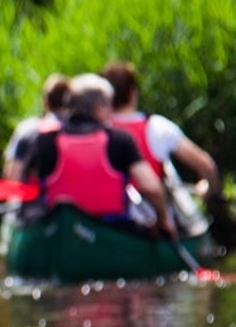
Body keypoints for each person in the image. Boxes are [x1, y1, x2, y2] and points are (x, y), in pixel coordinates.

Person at [21, 73, 173, 235]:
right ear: (100, 108)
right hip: (112, 232)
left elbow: (29, 187)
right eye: (109, 106)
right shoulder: (120, 140)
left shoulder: (44, 141)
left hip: (58, 232)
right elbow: (152, 188)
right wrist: (163, 220)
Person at [101, 60, 221, 232]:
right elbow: (207, 166)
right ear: (133, 93)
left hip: (109, 222)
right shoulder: (157, 126)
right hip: (153, 223)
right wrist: (210, 191)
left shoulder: (95, 132)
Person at [2, 73, 70, 182]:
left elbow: (12, 174)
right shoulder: (76, 132)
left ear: (45, 101)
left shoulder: (27, 129)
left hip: (31, 195)